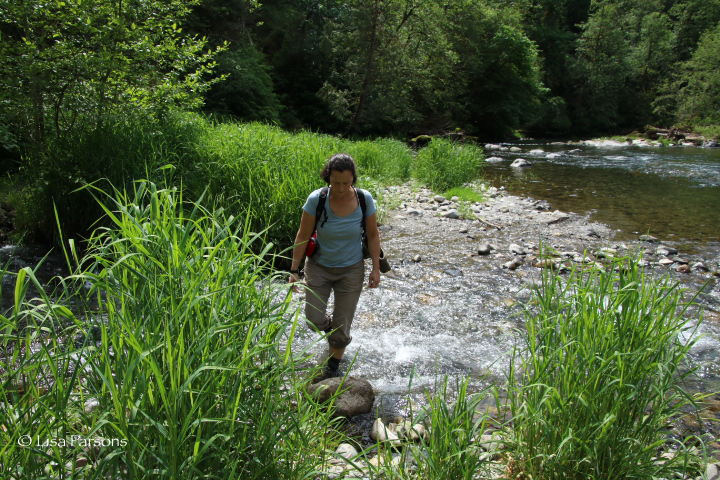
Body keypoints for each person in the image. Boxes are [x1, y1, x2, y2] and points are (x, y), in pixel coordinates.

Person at [288, 153, 381, 377]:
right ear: (327, 177)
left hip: (352, 269)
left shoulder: (364, 198)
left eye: (346, 183)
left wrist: (376, 268)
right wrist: (294, 270)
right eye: (335, 182)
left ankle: (332, 368)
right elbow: (303, 234)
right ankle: (332, 327)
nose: (340, 188)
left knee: (343, 325)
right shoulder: (317, 199)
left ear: (353, 180)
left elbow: (373, 234)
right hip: (318, 266)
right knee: (313, 319)